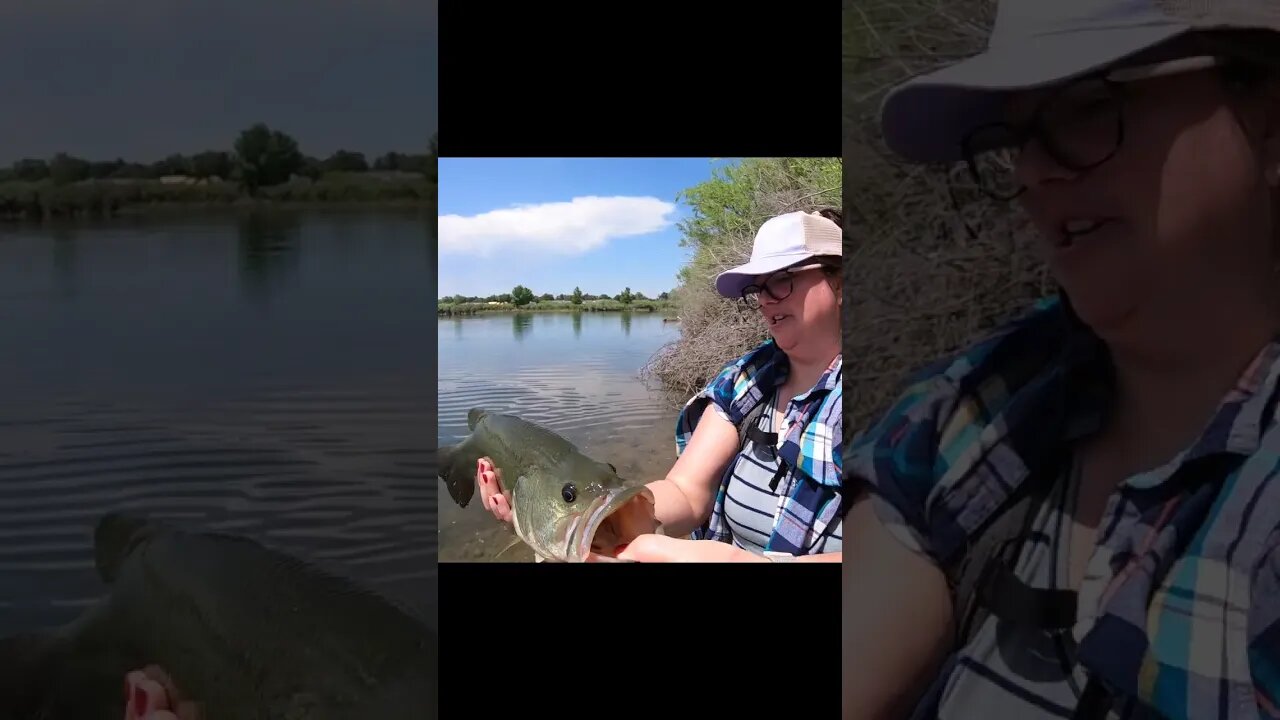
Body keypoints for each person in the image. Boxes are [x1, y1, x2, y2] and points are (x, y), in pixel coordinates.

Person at [843, 3, 1280, 719]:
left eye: (1087, 107)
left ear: (1269, 119)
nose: (1034, 171)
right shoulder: (985, 404)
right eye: (1015, 137)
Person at [474, 208, 846, 562]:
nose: (765, 299)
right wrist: (578, 519)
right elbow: (686, 491)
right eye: (758, 288)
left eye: (782, 279)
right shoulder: (746, 381)